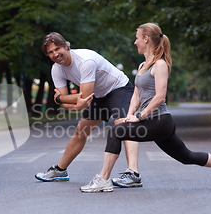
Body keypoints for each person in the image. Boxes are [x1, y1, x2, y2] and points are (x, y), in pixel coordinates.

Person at [96, 22, 211, 190]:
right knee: (186, 156)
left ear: (146, 39)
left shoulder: (159, 65)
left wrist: (139, 116)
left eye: (137, 38)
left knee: (116, 131)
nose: (135, 42)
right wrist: (130, 114)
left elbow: (160, 97)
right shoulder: (142, 66)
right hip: (153, 122)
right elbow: (136, 95)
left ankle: (103, 179)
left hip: (159, 121)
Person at [35, 32, 140, 192]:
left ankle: (133, 173)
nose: (55, 54)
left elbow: (81, 97)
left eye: (57, 49)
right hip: (99, 95)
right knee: (80, 131)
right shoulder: (57, 70)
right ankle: (60, 171)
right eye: (50, 52)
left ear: (66, 46)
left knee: (123, 127)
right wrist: (71, 103)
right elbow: (68, 102)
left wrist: (60, 99)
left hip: (118, 88)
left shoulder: (85, 60)